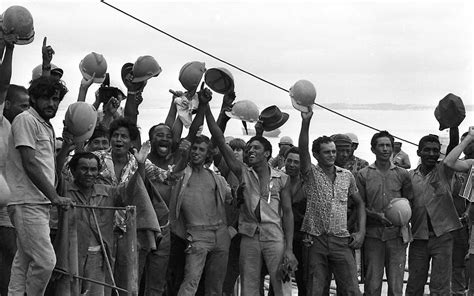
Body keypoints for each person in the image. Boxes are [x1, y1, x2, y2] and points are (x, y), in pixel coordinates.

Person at [203, 97, 297, 296]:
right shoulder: (243, 172)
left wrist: (289, 249)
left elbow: (287, 214)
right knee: (249, 286)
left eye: (256, 148)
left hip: (274, 236)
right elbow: (219, 139)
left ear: (267, 153)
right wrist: (206, 107)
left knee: (282, 284)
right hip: (249, 237)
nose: (250, 150)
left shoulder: (282, 178)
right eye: (249, 148)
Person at [5, 75, 73, 295]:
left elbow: (48, 166)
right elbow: (30, 162)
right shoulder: (26, 119)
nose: (52, 104)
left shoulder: (44, 125)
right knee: (45, 261)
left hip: (38, 202)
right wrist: (54, 196)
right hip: (27, 200)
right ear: (33, 98)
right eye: (46, 98)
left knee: (23, 262)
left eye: (55, 99)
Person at [57, 144, 150, 296]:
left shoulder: (108, 192)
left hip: (98, 259)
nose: (89, 173)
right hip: (69, 257)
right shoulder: (64, 190)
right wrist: (66, 146)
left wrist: (140, 166)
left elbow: (132, 191)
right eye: (84, 169)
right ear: (73, 171)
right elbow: (55, 172)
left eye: (93, 169)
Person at [298, 109, 365, 295]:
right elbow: (302, 149)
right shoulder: (310, 173)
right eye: (327, 152)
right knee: (316, 289)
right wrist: (305, 122)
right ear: (317, 155)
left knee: (352, 289)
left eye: (334, 151)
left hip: (341, 239)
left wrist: (361, 232)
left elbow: (359, 203)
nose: (332, 155)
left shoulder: (347, 176)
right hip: (315, 239)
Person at [405, 131, 463, 295]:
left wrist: (453, 124)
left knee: (440, 288)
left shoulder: (445, 171)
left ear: (440, 153)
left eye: (435, 150)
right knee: (414, 286)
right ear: (419, 152)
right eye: (427, 150)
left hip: (443, 238)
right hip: (418, 239)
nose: (431, 154)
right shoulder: (409, 177)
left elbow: (453, 145)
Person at [356, 130, 413, 296]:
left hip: (397, 237)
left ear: (393, 149)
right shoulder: (363, 174)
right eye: (381, 145)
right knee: (372, 285)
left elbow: (410, 202)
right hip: (373, 236)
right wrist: (374, 215)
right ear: (373, 149)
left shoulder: (403, 174)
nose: (385, 149)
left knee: (396, 287)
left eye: (388, 145)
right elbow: (359, 205)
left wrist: (402, 216)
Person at [443, 126, 474, 296]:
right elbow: (449, 161)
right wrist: (467, 138)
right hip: (460, 222)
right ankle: (458, 292)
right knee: (459, 261)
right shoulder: (468, 165)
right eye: (467, 142)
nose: (470, 145)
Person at [282, 146, 308, 295]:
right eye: (289, 161)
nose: (292, 165)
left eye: (296, 162)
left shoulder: (308, 184)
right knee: (281, 279)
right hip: (280, 237)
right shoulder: (278, 180)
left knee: (303, 281)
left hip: (302, 239)